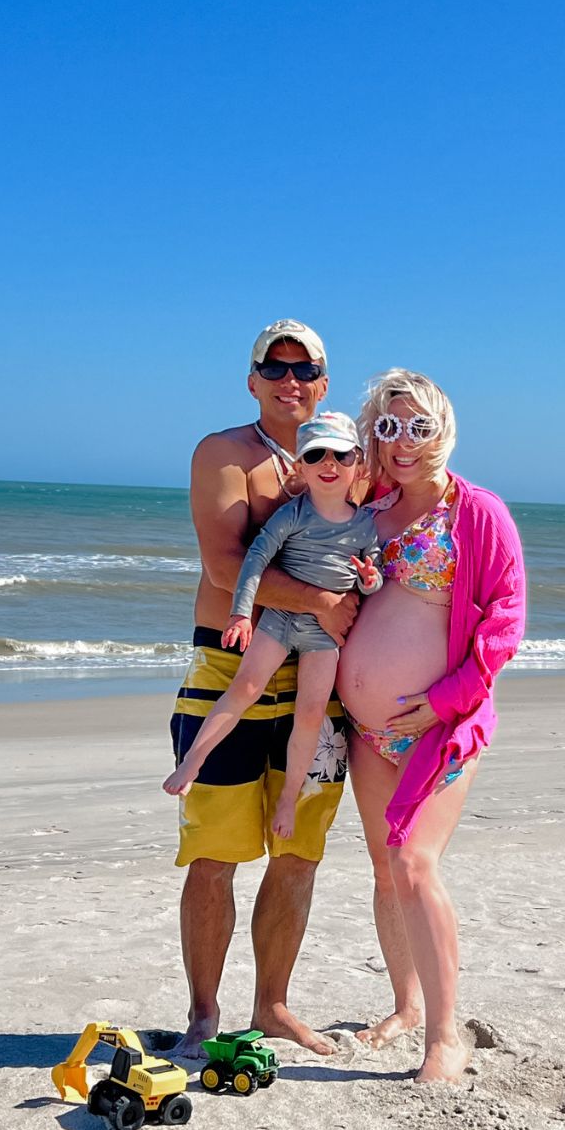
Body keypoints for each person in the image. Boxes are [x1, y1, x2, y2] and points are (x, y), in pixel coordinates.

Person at [170, 321, 357, 1058]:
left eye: (304, 368)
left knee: (298, 851)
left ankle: (273, 1007)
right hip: (229, 667)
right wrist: (319, 604)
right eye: (273, 368)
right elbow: (225, 570)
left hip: (319, 682)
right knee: (214, 853)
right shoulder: (225, 455)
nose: (290, 380)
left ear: (323, 381)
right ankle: (204, 1012)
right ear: (252, 380)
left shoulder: (348, 461)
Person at [336, 369, 527, 1083]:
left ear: (442, 428)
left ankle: (445, 1037)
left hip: (441, 727)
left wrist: (446, 700)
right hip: (367, 732)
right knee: (387, 872)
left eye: (418, 426)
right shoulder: (368, 510)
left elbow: (504, 625)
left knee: (416, 864)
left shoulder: (476, 514)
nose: (403, 441)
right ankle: (405, 1005)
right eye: (388, 427)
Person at [164, 411, 381, 839]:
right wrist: (241, 614)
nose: (329, 464)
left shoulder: (364, 523)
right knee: (244, 688)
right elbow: (253, 561)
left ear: (357, 462)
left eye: (340, 455)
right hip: (280, 619)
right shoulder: (293, 514)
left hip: (324, 636)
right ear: (300, 466)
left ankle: (289, 798)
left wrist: (369, 580)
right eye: (316, 455)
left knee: (311, 714)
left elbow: (369, 577)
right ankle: (194, 760)